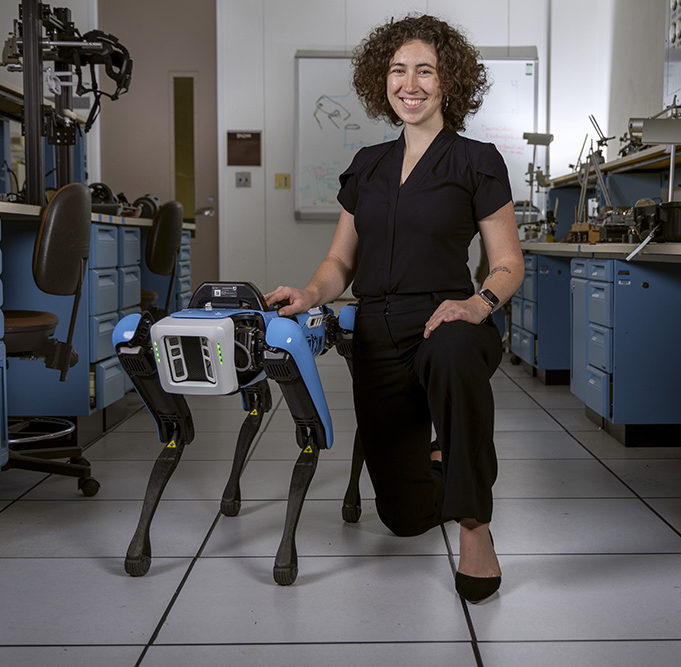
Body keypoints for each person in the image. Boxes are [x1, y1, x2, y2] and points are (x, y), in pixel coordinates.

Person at [265, 14, 523, 603]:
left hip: (448, 319)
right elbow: (339, 264)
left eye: (426, 71)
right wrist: (309, 294)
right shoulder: (368, 166)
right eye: (398, 70)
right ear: (380, 81)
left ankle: (475, 528)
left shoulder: (476, 160)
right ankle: (444, 456)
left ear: (449, 82)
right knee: (403, 518)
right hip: (378, 333)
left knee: (455, 354)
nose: (411, 84)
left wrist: (479, 305)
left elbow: (508, 261)